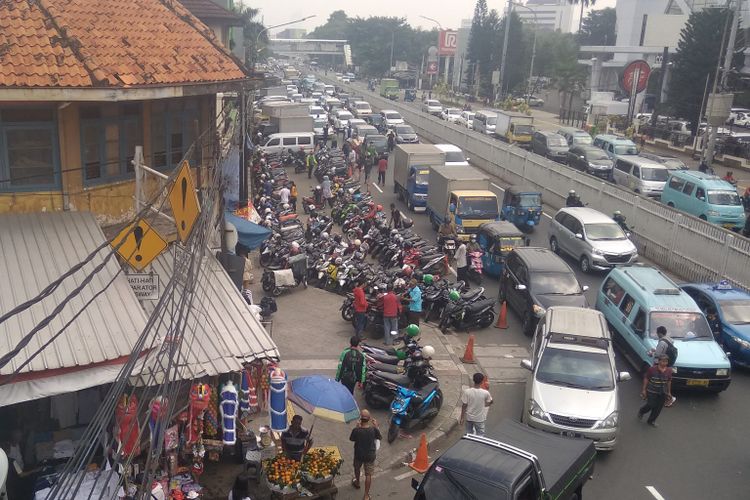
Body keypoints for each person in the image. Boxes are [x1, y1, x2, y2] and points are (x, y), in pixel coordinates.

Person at [349, 409, 382, 498]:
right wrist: (376, 426)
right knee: (368, 475)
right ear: (369, 419)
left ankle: (357, 482)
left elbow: (352, 439)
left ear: (360, 419)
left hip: (358, 454)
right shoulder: (373, 430)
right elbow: (379, 437)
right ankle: (366, 495)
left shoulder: (357, 430)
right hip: (370, 455)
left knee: (357, 468)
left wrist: (357, 427)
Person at [638, 355, 673, 427]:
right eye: (663, 361)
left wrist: (669, 392)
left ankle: (651, 421)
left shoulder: (669, 370)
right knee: (651, 404)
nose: (664, 363)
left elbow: (669, 381)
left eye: (666, 361)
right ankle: (642, 411)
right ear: (659, 361)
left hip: (662, 392)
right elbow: (646, 378)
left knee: (658, 408)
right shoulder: (652, 369)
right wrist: (644, 390)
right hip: (652, 391)